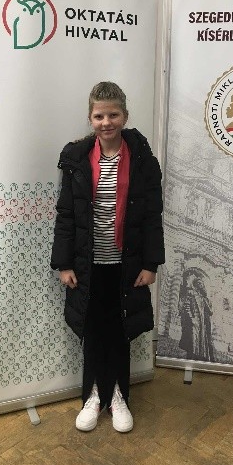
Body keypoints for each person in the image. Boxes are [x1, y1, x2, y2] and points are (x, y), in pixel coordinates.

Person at [51, 81, 165, 433]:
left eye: (113, 115)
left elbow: (152, 216)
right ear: (91, 119)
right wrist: (64, 263)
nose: (106, 122)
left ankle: (118, 397)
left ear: (125, 116)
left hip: (125, 264)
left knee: (119, 331)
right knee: (93, 330)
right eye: (99, 116)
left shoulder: (143, 160)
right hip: (88, 264)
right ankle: (93, 396)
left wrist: (150, 264)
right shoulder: (76, 160)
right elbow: (66, 214)